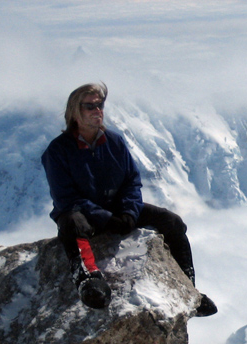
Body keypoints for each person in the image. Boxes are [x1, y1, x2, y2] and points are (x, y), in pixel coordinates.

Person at [41, 82, 217, 315]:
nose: (97, 110)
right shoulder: (58, 151)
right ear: (75, 111)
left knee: (172, 222)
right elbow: (66, 198)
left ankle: (188, 289)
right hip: (83, 214)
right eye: (90, 106)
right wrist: (105, 218)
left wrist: (129, 212)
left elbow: (131, 181)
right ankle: (89, 280)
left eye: (100, 105)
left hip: (118, 210)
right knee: (72, 223)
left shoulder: (114, 142)